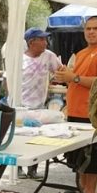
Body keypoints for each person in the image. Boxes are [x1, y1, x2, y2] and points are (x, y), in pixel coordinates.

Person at [54, 15, 97, 193]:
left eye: (96, 28)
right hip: (76, 109)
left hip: (93, 111)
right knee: (79, 153)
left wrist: (74, 78)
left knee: (91, 153)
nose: (91, 32)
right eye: (88, 28)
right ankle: (80, 187)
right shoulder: (81, 53)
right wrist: (65, 76)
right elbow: (74, 78)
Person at [17, 28, 66, 180]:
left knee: (37, 138)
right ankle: (18, 168)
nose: (46, 42)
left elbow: (61, 72)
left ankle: (33, 169)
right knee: (20, 138)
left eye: (46, 39)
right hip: (20, 105)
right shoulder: (19, 58)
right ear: (31, 42)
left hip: (39, 105)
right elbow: (8, 80)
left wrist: (63, 74)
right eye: (42, 39)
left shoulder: (49, 56)